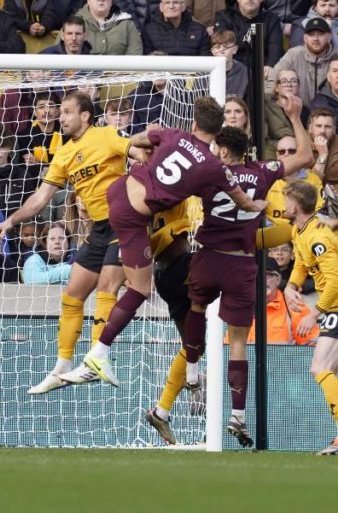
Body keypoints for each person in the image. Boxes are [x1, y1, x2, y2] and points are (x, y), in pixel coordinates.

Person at [80, 96, 267, 388]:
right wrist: (257, 206)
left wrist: (142, 152)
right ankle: (98, 353)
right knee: (140, 288)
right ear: (218, 134)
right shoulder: (213, 167)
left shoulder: (173, 134)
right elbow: (241, 199)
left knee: (132, 279)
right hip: (132, 217)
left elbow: (140, 138)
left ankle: (100, 353)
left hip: (117, 193)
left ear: (193, 123)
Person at [0, 90, 144, 394]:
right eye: (61, 112)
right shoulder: (62, 153)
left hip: (125, 221)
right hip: (99, 227)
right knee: (72, 295)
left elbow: (137, 153)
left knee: (107, 288)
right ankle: (62, 366)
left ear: (85, 115)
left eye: (67, 111)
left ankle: (98, 359)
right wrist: (10, 221)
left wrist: (141, 177)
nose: (60, 117)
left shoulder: (105, 135)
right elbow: (41, 197)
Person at [182, 117, 310, 447]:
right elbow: (306, 156)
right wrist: (295, 116)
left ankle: (192, 373)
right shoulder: (262, 171)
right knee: (237, 340)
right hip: (241, 262)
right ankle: (237, 415)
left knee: (195, 306)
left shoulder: (209, 171)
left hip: (209, 255)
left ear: (224, 150)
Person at [283, 180, 338, 455]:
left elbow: (335, 281)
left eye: (285, 200)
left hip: (336, 306)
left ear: (295, 205)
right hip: (333, 307)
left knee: (319, 367)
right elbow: (302, 263)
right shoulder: (299, 229)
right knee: (332, 372)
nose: (282, 205)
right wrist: (290, 286)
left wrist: (315, 313)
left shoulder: (320, 237)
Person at [273, 16, 336, 107]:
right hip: (296, 111)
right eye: (311, 34)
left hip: (330, 114)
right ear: (305, 38)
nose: (316, 39)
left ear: (329, 37)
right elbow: (271, 81)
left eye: (320, 34)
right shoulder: (294, 54)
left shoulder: (336, 56)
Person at [214, 0, 282, 75]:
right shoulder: (224, 17)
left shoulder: (272, 19)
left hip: (261, 72)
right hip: (232, 71)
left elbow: (275, 46)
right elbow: (223, 48)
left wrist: (270, 65)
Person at [141, 0, 210, 56]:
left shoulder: (199, 30)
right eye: (167, 3)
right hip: (161, 71)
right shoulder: (149, 31)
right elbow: (145, 61)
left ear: (183, 7)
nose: (171, 6)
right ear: (161, 7)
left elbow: (206, 59)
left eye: (175, 2)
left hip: (193, 71)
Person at [76, 0, 143, 56]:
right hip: (83, 71)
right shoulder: (75, 22)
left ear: (111, 1)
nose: (101, 0)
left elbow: (134, 57)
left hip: (120, 71)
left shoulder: (127, 24)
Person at [211, 30, 248, 100]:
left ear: (235, 49)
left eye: (226, 47)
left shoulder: (245, 72)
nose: (222, 51)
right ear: (212, 51)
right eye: (218, 47)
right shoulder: (203, 72)